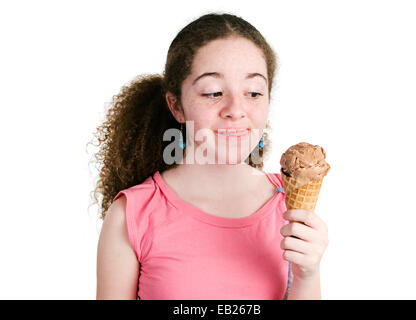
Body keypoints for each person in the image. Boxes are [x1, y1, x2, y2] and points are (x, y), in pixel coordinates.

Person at [92, 12, 328, 300]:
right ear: (176, 105)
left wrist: (308, 273)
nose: (236, 109)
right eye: (213, 92)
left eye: (253, 92)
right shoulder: (130, 215)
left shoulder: (288, 204)